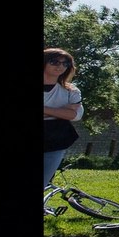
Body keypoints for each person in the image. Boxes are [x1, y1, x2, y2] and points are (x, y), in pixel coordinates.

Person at [43, 48, 84, 192]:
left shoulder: (71, 90)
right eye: (54, 61)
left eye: (65, 63)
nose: (60, 66)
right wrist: (62, 111)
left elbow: (76, 115)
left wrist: (45, 110)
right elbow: (69, 113)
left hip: (56, 140)